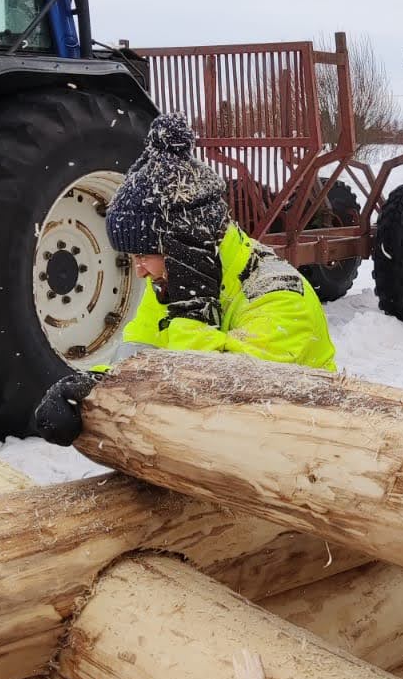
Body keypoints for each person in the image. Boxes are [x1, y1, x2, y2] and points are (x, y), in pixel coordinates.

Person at [35, 112, 337, 446]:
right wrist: (93, 390)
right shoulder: (171, 286)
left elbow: (221, 409)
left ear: (186, 246)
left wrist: (192, 316)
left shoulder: (279, 299)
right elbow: (137, 362)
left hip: (299, 458)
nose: (139, 271)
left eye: (144, 255)